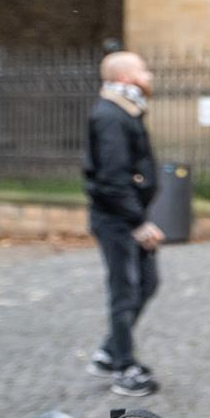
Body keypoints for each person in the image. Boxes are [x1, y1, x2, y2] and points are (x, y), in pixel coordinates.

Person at [83, 52, 162, 396]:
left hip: (126, 216)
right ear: (127, 77)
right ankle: (123, 368)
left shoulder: (125, 110)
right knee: (126, 290)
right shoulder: (111, 115)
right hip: (117, 219)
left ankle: (110, 350)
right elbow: (112, 178)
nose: (151, 76)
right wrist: (138, 221)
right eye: (144, 70)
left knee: (147, 282)